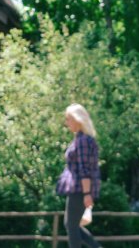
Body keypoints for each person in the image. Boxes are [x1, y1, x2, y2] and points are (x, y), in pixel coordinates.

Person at [56, 103, 102, 248]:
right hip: (79, 188)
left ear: (77, 120)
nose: (67, 123)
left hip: (79, 189)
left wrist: (87, 194)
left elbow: (84, 168)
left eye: (68, 119)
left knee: (71, 226)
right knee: (71, 225)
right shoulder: (82, 139)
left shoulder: (83, 141)